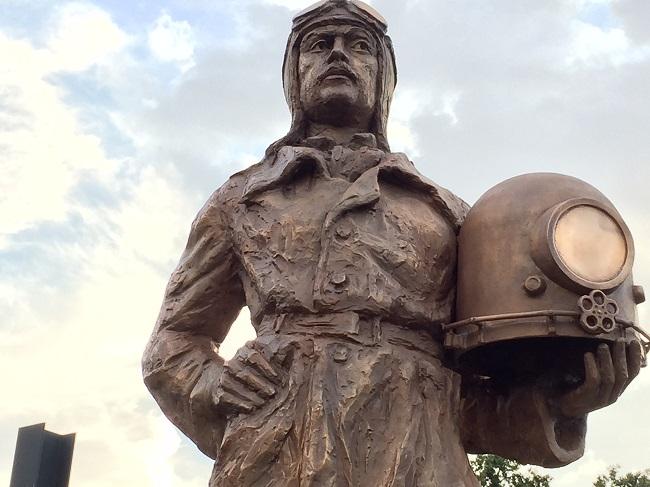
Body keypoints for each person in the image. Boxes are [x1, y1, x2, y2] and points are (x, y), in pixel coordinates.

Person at [142, 1, 643, 485]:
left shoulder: (447, 214)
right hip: (277, 451)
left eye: (359, 45)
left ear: (383, 80)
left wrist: (562, 400)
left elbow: (469, 400)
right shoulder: (241, 199)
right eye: (319, 45)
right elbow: (173, 342)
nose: (338, 54)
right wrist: (213, 384)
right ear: (294, 76)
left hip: (421, 459)